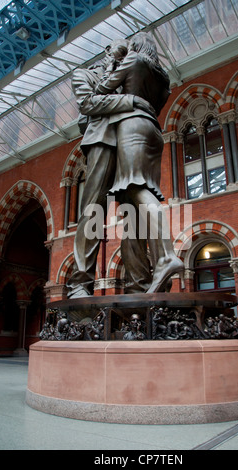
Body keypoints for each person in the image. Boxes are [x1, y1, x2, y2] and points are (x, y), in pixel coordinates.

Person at [95, 32, 184, 293]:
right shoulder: (162, 75)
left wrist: (113, 61)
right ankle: (140, 281)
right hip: (153, 129)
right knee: (132, 206)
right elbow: (157, 104)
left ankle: (167, 256)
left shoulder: (132, 59)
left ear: (134, 46)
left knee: (136, 188)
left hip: (132, 126)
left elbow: (103, 89)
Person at [67, 39, 154, 298]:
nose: (123, 52)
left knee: (134, 213)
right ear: (106, 50)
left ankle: (139, 285)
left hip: (133, 140)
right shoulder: (83, 74)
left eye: (126, 50)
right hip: (103, 139)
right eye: (118, 48)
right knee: (93, 207)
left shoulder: (131, 70)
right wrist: (132, 101)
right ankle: (80, 284)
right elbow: (88, 104)